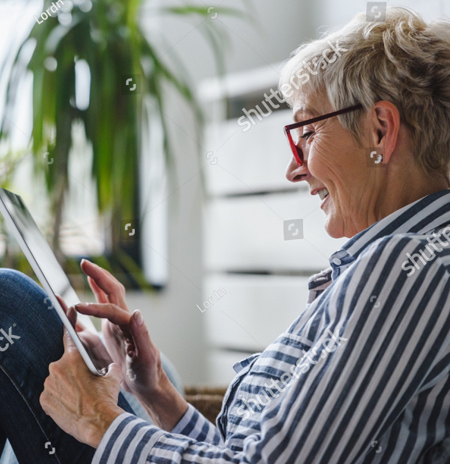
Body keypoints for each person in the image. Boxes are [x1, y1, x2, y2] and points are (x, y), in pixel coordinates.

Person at [1, 5, 450, 463]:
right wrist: (156, 394)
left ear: (380, 130)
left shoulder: (410, 269)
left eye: (307, 132)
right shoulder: (401, 262)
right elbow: (252, 451)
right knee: (154, 369)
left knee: (7, 298)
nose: (294, 168)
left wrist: (98, 419)